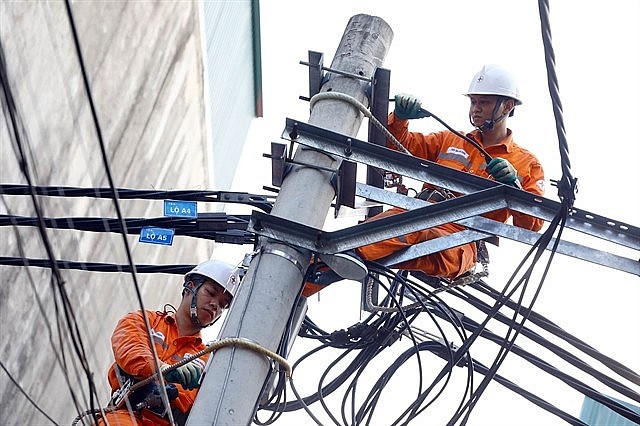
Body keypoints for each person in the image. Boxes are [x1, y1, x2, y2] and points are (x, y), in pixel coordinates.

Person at [354, 64, 545, 280]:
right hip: (416, 215)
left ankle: (348, 252)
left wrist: (514, 187)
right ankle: (318, 268)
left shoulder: (527, 163)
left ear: (507, 106)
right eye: (473, 101)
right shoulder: (450, 140)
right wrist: (399, 118)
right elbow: (396, 147)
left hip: (460, 240)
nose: (476, 108)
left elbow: (531, 226)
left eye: (484, 102)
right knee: (343, 249)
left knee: (388, 237)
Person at [95, 259, 241, 426]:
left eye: (223, 305)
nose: (215, 305)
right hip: (125, 416)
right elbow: (129, 348)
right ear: (190, 287)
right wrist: (161, 368)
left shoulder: (209, 361)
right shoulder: (145, 320)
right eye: (211, 293)